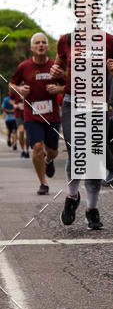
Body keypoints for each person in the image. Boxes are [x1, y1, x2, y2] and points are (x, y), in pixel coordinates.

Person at [51, 9, 113, 230]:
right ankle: (72, 196)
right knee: (77, 149)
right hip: (72, 102)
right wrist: (56, 73)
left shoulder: (109, 41)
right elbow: (58, 70)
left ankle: (91, 208)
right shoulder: (66, 40)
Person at [10, 33, 63, 195]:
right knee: (38, 147)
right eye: (37, 43)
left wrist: (58, 89)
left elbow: (68, 86)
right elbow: (11, 84)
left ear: (47, 47)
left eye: (43, 42)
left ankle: (49, 160)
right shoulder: (24, 67)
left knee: (52, 151)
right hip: (32, 115)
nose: (40, 45)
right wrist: (20, 89)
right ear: (32, 48)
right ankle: (43, 183)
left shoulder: (54, 67)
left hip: (52, 115)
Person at [11, 87, 30, 158]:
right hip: (18, 113)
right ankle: (23, 150)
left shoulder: (28, 85)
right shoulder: (15, 86)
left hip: (28, 113)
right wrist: (14, 105)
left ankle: (27, 150)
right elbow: (11, 98)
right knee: (21, 131)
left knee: (27, 135)